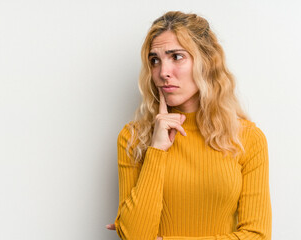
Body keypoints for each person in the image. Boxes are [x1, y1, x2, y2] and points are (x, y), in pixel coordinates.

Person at [106, 11, 272, 240]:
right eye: (155, 60)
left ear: (207, 61)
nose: (163, 72)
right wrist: (156, 150)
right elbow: (135, 237)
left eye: (176, 57)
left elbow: (257, 235)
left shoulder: (246, 138)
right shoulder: (134, 138)